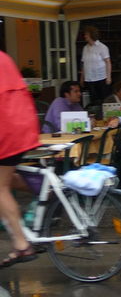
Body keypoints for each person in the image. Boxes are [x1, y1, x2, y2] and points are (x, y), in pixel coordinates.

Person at [0, 51, 41, 268]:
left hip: (7, 128)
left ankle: (21, 244)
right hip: (23, 123)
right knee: (6, 177)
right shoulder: (4, 58)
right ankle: (48, 192)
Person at [79, 26, 111, 104]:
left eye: (86, 34)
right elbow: (84, 64)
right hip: (89, 78)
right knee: (92, 100)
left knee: (103, 99)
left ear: (91, 35)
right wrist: (82, 78)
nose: (85, 36)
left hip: (101, 77)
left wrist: (108, 77)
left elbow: (108, 62)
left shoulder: (102, 47)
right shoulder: (85, 48)